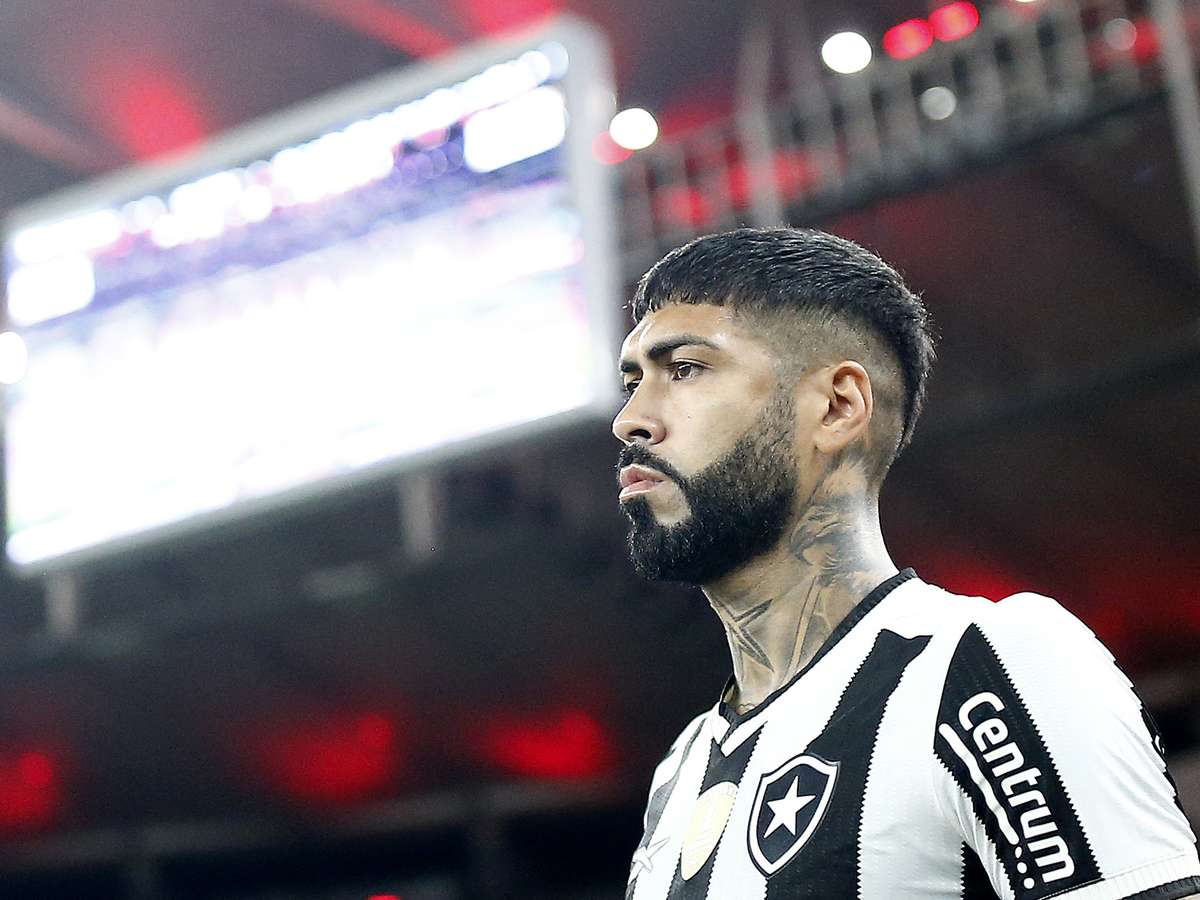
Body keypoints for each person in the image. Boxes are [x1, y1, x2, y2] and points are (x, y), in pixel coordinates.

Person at [613, 227, 1200, 899]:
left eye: (684, 369)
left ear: (837, 407)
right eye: (633, 381)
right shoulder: (682, 767)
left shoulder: (984, 666)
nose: (631, 419)